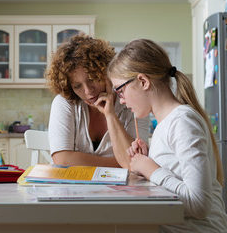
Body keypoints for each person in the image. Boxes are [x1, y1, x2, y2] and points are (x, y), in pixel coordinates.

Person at [105, 38, 227, 232]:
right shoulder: (166, 123)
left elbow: (199, 204)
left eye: (120, 91)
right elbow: (174, 179)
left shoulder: (182, 122)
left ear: (143, 81)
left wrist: (151, 169)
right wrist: (147, 162)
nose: (121, 100)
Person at [46, 34, 149, 167]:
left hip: (120, 187)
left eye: (92, 79)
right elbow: (62, 159)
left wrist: (110, 115)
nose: (88, 91)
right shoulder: (65, 103)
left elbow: (137, 161)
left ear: (105, 72)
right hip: (71, 186)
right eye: (77, 86)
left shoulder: (132, 103)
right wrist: (119, 163)